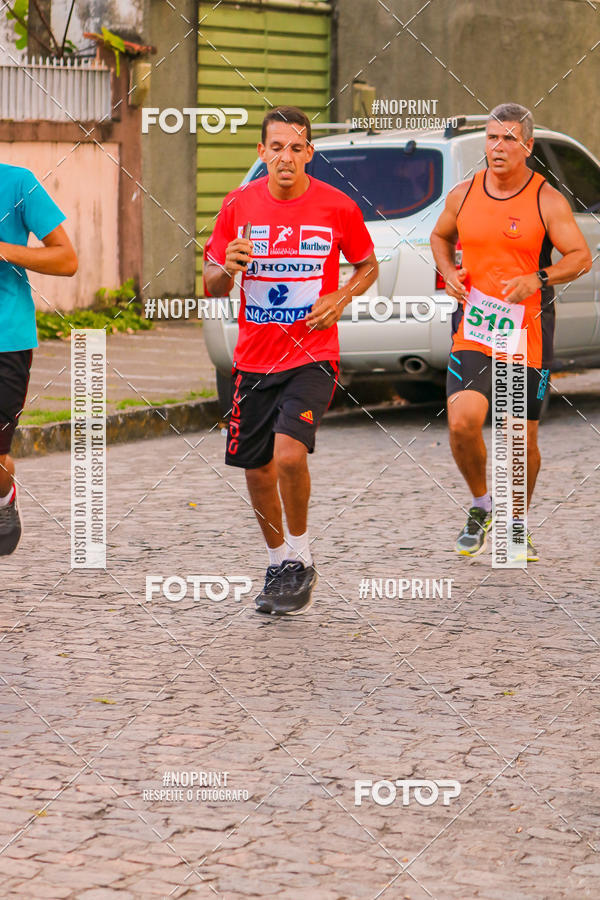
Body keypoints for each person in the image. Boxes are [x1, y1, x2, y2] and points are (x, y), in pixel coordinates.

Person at [203, 106, 378, 614]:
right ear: (261, 152)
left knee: (288, 456)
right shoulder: (237, 204)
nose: (286, 157)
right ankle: (279, 560)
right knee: (256, 471)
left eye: (296, 147)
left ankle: (301, 557)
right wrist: (225, 269)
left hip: (312, 355)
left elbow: (368, 267)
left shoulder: (337, 206)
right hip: (253, 361)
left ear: (309, 154)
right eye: (276, 147)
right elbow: (212, 285)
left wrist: (340, 298)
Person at [431, 102, 591, 561]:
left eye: (508, 139)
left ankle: (516, 525)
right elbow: (440, 237)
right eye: (491, 137)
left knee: (519, 437)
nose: (497, 147)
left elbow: (579, 256)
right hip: (476, 326)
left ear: (527, 145)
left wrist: (538, 279)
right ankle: (482, 505)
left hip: (527, 330)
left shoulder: (546, 199)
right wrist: (449, 273)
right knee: (462, 423)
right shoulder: (463, 194)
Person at [0, 164, 78, 555]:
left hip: (6, 340)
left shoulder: (16, 182)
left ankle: (3, 494)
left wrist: (3, 249)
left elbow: (66, 260)